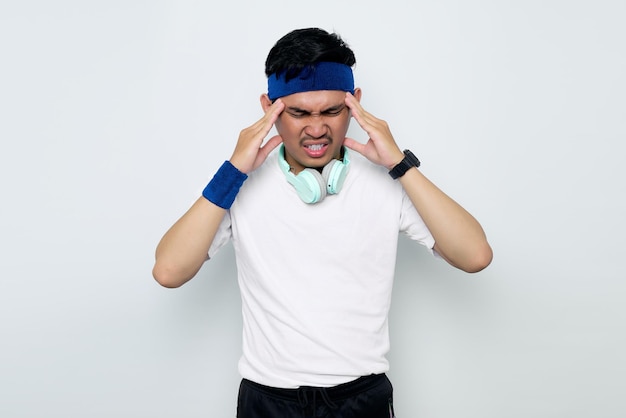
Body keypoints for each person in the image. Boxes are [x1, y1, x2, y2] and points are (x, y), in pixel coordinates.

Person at [153, 27, 492, 418]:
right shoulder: (234, 185)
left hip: (362, 399)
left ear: (355, 104)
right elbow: (168, 271)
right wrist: (233, 171)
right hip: (268, 401)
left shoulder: (387, 181)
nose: (316, 129)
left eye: (332, 110)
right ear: (269, 108)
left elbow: (475, 255)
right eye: (298, 113)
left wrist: (400, 164)